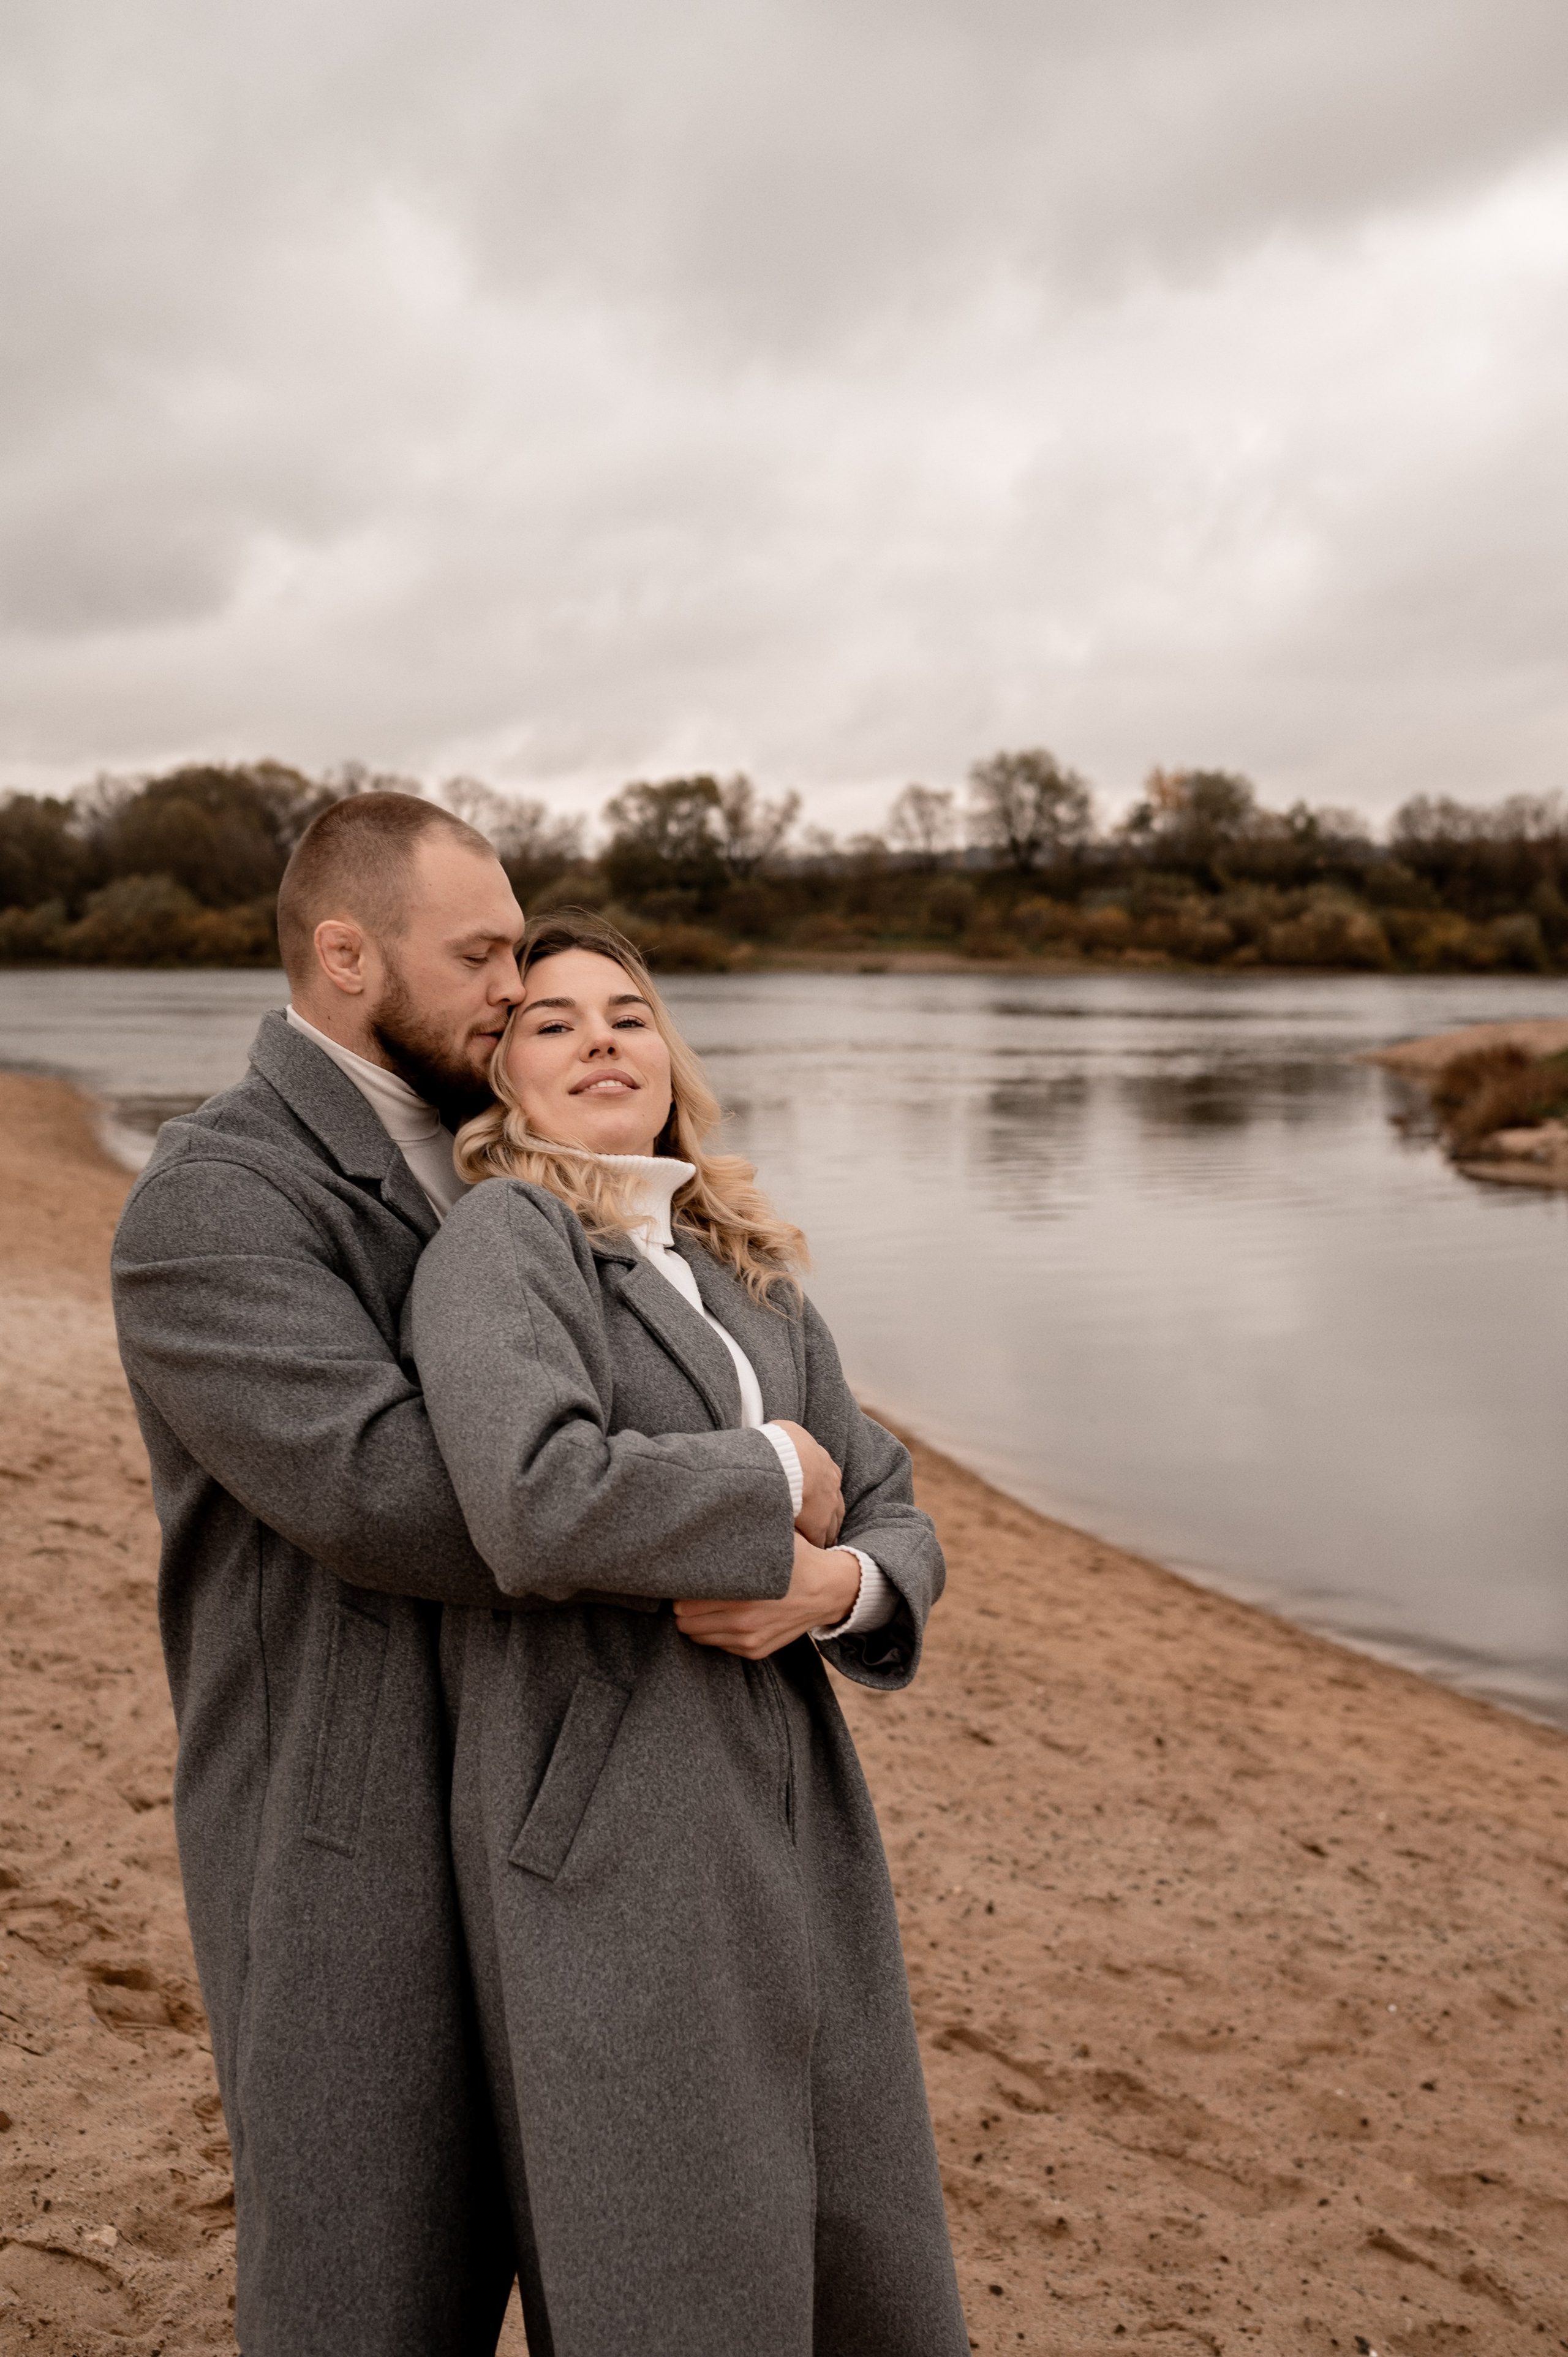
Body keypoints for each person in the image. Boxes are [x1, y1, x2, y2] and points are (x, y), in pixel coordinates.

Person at [409, 909, 970, 2357]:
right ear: (505, 1076)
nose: (600, 1036)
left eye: (629, 1013)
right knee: (677, 2271)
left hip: (797, 1804)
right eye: (552, 1019)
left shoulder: (743, 1267)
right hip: (614, 1818)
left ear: (671, 1053)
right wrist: (775, 1474)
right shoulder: (503, 1240)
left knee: (859, 2248)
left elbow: (897, 1502)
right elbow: (532, 1497)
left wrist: (830, 1592)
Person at [111, 792, 536, 2357]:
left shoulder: (519, 1157)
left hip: (541, 1792)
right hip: (337, 1825)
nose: (518, 981)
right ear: (347, 954)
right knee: (363, 2287)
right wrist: (726, 1509)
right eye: (481, 951)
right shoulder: (211, 1198)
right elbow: (388, 1494)